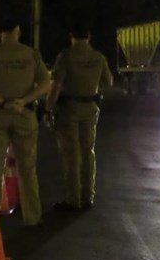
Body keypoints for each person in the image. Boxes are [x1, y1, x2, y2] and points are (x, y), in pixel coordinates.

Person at [0, 17, 51, 227]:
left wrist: (3, 102)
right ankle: (33, 218)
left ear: (1, 32)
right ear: (18, 30)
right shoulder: (32, 55)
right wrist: (24, 101)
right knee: (27, 168)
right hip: (25, 115)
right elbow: (45, 83)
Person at [45, 22, 113, 211]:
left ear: (72, 37)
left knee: (71, 155)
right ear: (89, 37)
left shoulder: (65, 56)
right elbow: (108, 81)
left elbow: (56, 86)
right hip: (90, 108)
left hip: (69, 109)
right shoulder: (98, 57)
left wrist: (48, 108)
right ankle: (88, 196)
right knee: (88, 152)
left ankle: (72, 199)